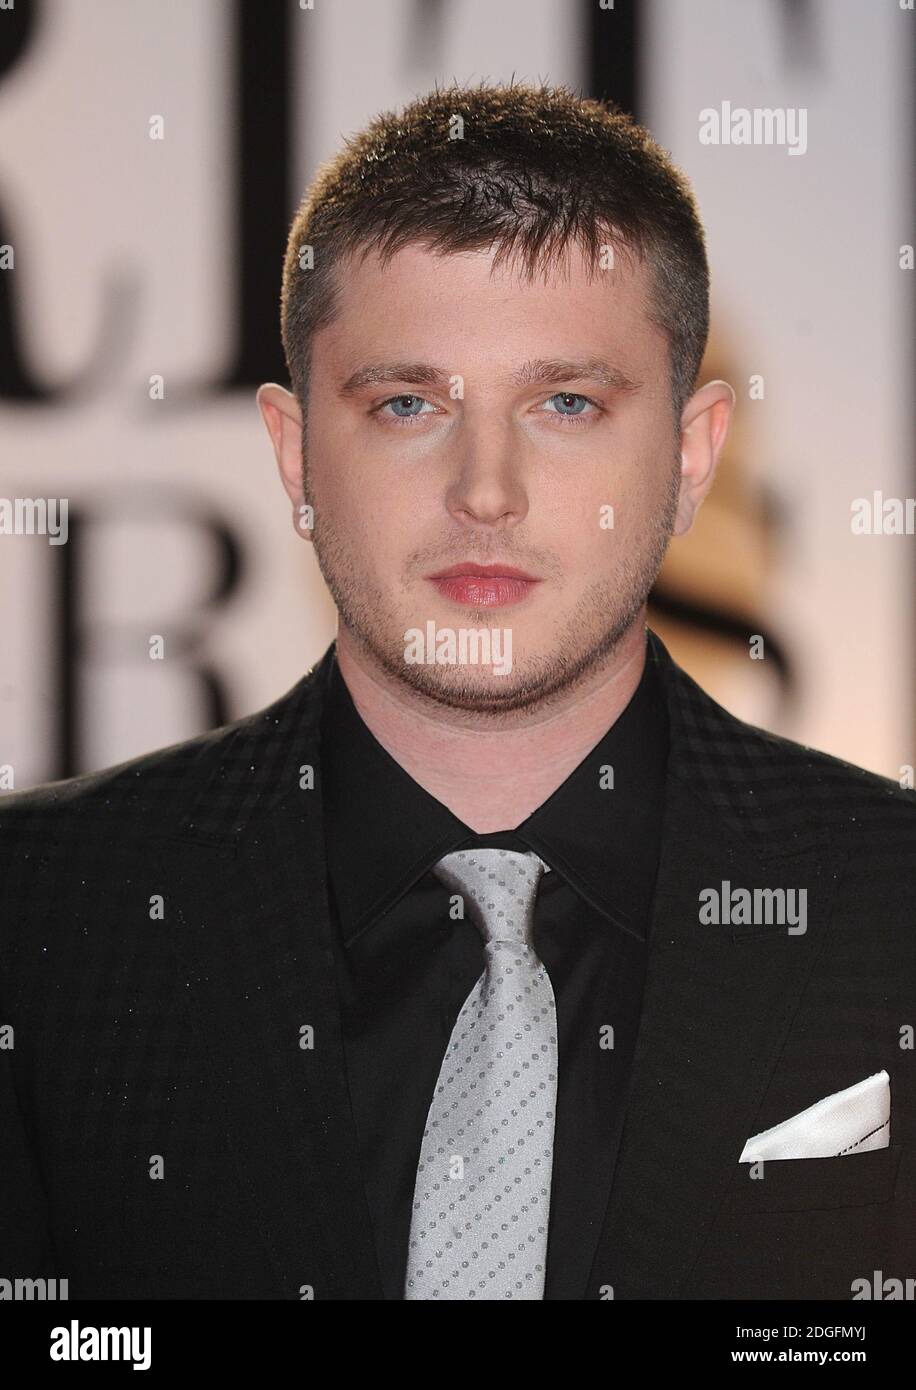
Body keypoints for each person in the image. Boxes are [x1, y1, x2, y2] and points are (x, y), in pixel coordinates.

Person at [1, 82, 913, 1301]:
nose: (486, 490)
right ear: (295, 454)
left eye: (566, 403)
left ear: (691, 459)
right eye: (408, 404)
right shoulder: (38, 918)